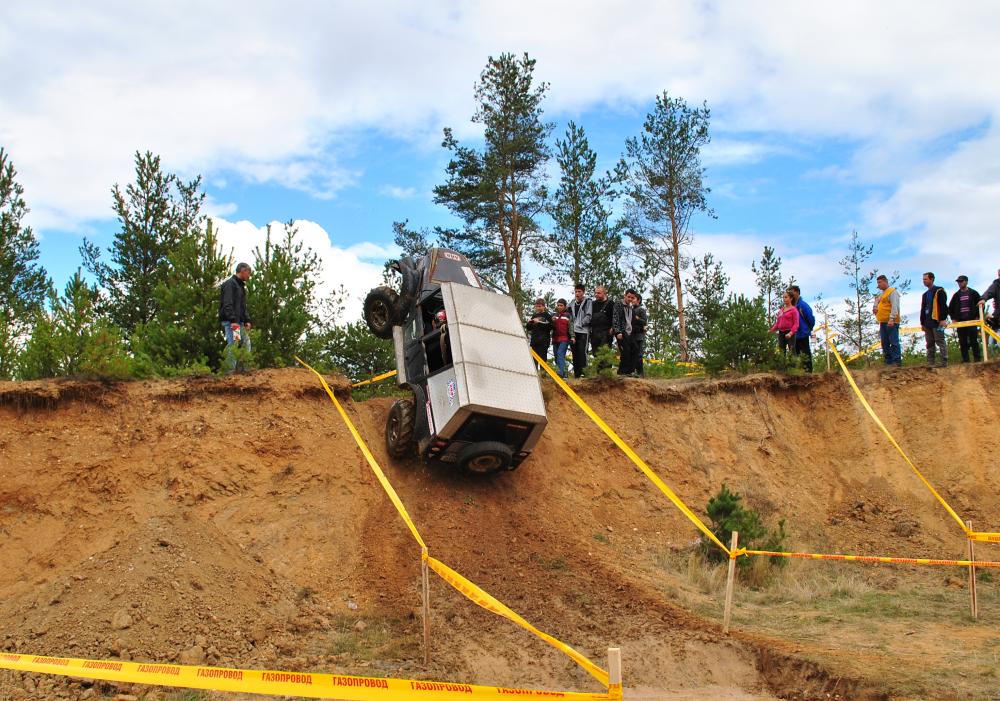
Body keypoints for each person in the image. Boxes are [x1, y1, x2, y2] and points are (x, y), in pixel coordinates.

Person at [219, 262, 253, 374]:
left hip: (238, 321)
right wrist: (232, 320)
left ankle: (244, 370)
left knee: (245, 342)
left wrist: (247, 320)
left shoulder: (240, 286)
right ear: (243, 271)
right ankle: (229, 372)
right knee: (233, 344)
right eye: (249, 273)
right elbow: (227, 303)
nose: (249, 276)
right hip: (231, 322)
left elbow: (242, 306)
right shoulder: (230, 284)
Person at [949, 275, 982, 362]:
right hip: (960, 322)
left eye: (961, 281)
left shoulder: (974, 293)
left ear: (966, 282)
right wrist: (953, 318)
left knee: (974, 341)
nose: (959, 283)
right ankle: (965, 360)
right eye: (958, 282)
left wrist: (978, 315)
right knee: (962, 342)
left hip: (971, 321)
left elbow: (981, 304)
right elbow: (950, 308)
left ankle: (977, 359)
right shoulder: (956, 295)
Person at [919, 272, 949, 367]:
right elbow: (923, 309)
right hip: (927, 322)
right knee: (930, 343)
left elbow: (943, 306)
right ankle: (930, 362)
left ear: (931, 279)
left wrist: (943, 319)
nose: (924, 281)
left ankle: (943, 361)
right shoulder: (925, 294)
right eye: (923, 279)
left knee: (940, 340)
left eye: (926, 279)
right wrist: (922, 322)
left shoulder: (939, 291)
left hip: (937, 321)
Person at [872, 274, 902, 367]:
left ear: (885, 281)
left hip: (891, 321)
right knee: (884, 342)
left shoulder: (892, 292)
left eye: (880, 282)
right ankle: (888, 362)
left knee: (893, 341)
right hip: (883, 321)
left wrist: (892, 318)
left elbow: (895, 306)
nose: (879, 284)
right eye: (878, 283)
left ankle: (896, 361)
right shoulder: (881, 294)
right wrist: (875, 306)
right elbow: (877, 301)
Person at [612, 289, 643, 376]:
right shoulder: (618, 304)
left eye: (632, 298)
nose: (630, 299)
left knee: (635, 349)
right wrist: (618, 332)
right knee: (625, 351)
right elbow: (615, 318)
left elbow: (632, 321)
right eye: (628, 297)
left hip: (630, 333)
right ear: (625, 295)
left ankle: (630, 371)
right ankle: (622, 372)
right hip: (622, 332)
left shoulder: (631, 308)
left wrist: (642, 327)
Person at [787, 285, 815, 372]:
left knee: (805, 354)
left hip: (803, 334)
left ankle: (808, 373)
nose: (790, 295)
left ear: (797, 292)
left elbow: (811, 318)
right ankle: (796, 373)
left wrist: (807, 329)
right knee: (794, 355)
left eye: (792, 292)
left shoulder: (803, 305)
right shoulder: (790, 307)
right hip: (793, 335)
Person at [569, 284, 593, 378]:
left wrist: (580, 323)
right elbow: (568, 315)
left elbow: (589, 315)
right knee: (574, 353)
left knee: (582, 351)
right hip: (574, 332)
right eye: (576, 291)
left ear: (583, 292)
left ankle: (584, 373)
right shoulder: (572, 303)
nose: (577, 293)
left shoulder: (588, 301)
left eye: (579, 291)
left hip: (583, 331)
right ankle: (577, 374)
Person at [770, 291, 800, 356]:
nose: (784, 299)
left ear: (791, 298)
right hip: (781, 333)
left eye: (786, 297)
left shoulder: (794, 310)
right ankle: (782, 366)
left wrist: (791, 333)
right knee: (781, 352)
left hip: (790, 333)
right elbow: (777, 323)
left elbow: (796, 324)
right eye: (783, 297)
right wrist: (771, 330)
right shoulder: (781, 310)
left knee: (792, 352)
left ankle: (793, 366)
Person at [526, 299, 552, 369]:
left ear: (544, 306)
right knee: (534, 360)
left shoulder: (547, 315)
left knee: (543, 359)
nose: (538, 308)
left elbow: (551, 326)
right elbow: (528, 328)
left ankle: (543, 375)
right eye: (536, 306)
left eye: (540, 306)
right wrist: (530, 323)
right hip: (534, 341)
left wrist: (539, 323)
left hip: (543, 341)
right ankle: (535, 375)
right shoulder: (534, 316)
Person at [550, 299, 574, 379]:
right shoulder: (553, 315)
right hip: (555, 339)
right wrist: (551, 321)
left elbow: (571, 327)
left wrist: (573, 336)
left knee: (560, 354)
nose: (559, 307)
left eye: (561, 305)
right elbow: (549, 326)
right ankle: (563, 374)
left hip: (564, 338)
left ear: (565, 306)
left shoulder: (568, 315)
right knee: (557, 356)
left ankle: (561, 373)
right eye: (558, 305)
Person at [589, 286, 615, 355]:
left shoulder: (611, 303)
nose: (596, 295)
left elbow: (615, 318)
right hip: (594, 333)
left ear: (604, 293)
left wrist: (612, 328)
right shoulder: (593, 304)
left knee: (606, 355)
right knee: (596, 354)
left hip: (606, 333)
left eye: (599, 293)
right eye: (595, 293)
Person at [979, 268, 1000, 351]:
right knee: (991, 344)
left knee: (998, 343)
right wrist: (983, 299)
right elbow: (989, 292)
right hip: (997, 320)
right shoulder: (996, 285)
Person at [630, 292, 648, 377]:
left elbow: (645, 321)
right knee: (632, 354)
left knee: (639, 354)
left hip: (639, 335)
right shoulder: (630, 309)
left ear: (638, 300)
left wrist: (637, 319)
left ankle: (640, 373)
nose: (631, 300)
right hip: (631, 335)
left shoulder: (641, 309)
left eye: (633, 298)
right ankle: (633, 371)